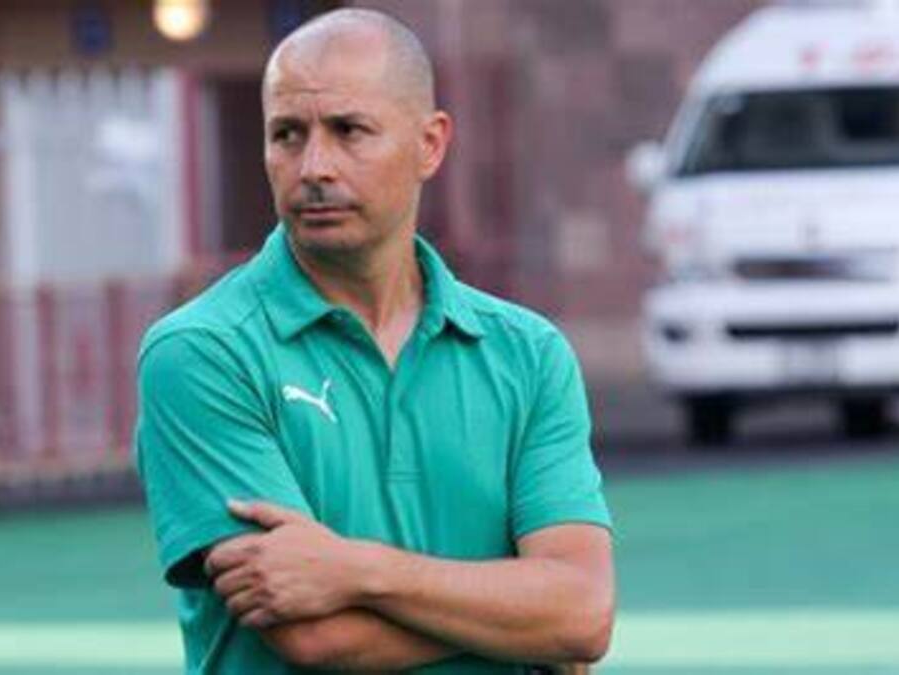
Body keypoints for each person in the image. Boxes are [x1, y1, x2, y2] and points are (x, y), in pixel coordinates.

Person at [134, 8, 614, 673]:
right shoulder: (201, 352)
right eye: (287, 134)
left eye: (349, 130)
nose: (313, 166)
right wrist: (525, 615)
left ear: (430, 144)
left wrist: (355, 569)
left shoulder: (528, 354)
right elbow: (316, 636)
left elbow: (582, 614)